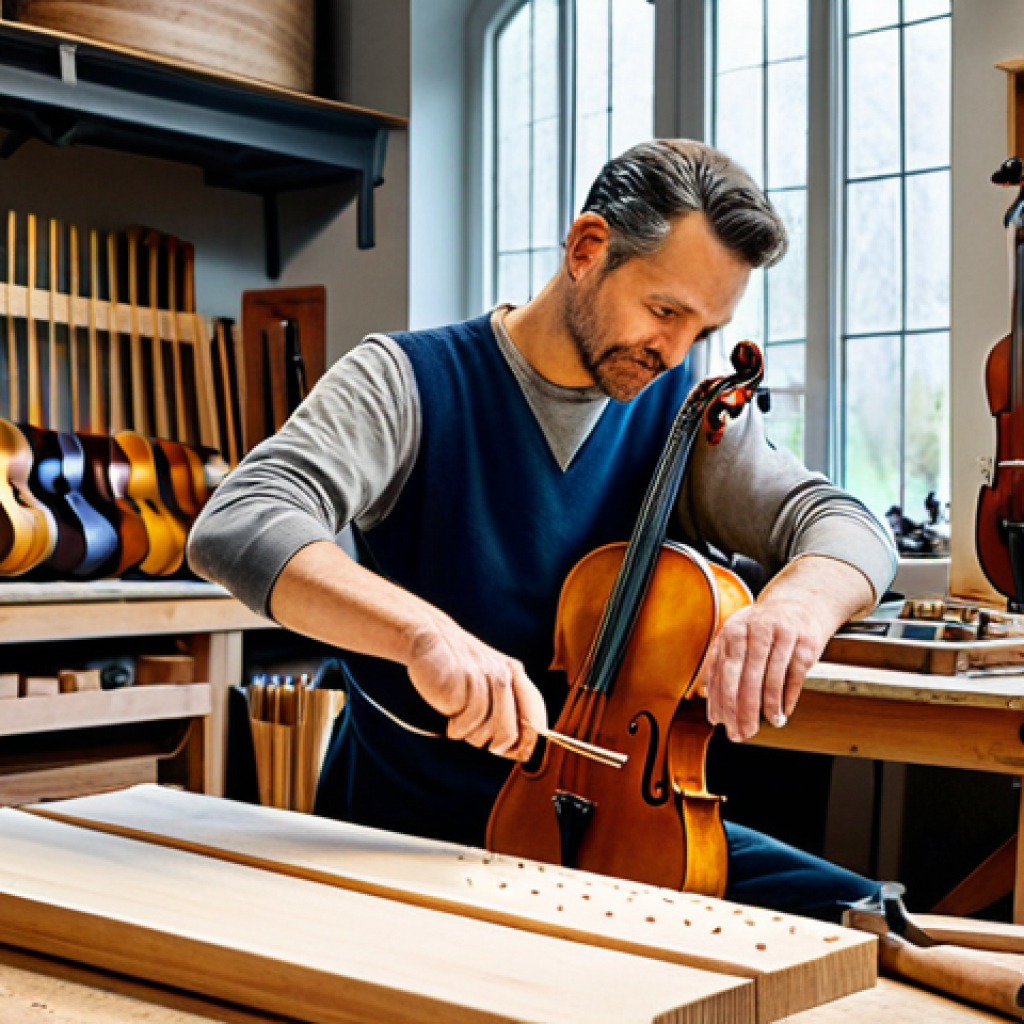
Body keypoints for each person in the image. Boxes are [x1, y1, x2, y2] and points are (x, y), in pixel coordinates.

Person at [189, 140, 897, 921]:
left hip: (611, 834)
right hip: (408, 840)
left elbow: (849, 526)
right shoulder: (406, 380)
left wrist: (798, 604)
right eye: (664, 312)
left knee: (863, 917)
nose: (673, 353)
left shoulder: (683, 418)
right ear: (588, 249)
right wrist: (423, 634)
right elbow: (241, 518)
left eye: (702, 332)